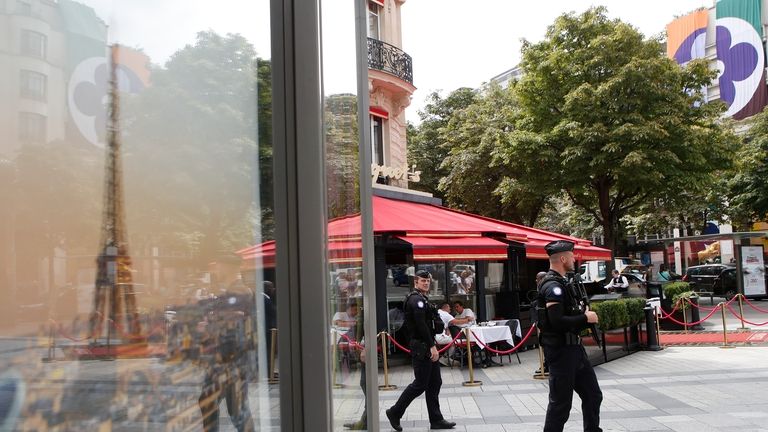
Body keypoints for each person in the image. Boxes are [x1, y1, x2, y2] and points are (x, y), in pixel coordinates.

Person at [536, 240, 602, 432]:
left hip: (574, 349)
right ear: (563, 258)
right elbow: (556, 321)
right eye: (572, 256)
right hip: (560, 351)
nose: (574, 259)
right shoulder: (552, 286)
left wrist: (581, 313)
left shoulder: (564, 283)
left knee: (593, 395)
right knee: (560, 405)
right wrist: (585, 318)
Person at [386, 270, 456, 431]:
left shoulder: (422, 299)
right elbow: (421, 325)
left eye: (428, 281)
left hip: (427, 345)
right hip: (422, 347)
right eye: (423, 281)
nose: (426, 283)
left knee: (435, 382)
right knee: (420, 384)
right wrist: (432, 346)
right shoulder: (415, 300)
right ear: (416, 282)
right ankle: (395, 412)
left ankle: (436, 420)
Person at [198, 253, 255, 432]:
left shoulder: (239, 291)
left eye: (219, 266)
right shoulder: (233, 290)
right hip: (228, 357)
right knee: (226, 405)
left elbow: (232, 320)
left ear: (229, 267)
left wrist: (209, 324)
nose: (216, 270)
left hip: (229, 357)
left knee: (233, 407)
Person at [534, 271, 549, 375]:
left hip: (546, 323)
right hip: (541, 321)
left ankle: (547, 365)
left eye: (538, 278)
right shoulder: (540, 288)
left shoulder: (546, 288)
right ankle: (545, 364)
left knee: (546, 345)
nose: (536, 281)